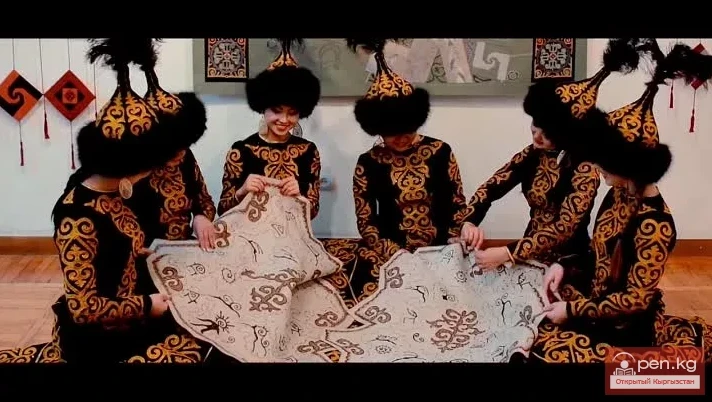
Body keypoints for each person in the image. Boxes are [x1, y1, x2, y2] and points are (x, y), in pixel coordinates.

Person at [0, 39, 216, 364]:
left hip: (135, 304)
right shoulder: (77, 218)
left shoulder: (112, 193)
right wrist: (147, 305)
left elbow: (115, 248)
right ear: (130, 166)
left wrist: (139, 252)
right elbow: (83, 308)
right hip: (103, 338)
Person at [531, 41, 712, 363]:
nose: (596, 166)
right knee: (534, 318)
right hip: (597, 303)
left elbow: (635, 300)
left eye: (602, 161)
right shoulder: (618, 195)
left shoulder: (655, 226)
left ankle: (654, 369)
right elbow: (598, 254)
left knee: (546, 353)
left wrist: (572, 310)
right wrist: (564, 265)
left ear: (626, 167)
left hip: (625, 327)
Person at [460, 39, 652, 270]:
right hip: (526, 254)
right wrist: (469, 221)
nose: (537, 137)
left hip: (567, 262)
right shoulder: (533, 154)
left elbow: (565, 227)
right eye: (535, 126)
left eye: (547, 134)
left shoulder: (585, 168)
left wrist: (509, 252)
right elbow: (492, 187)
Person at [320, 38, 471, 308]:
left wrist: (453, 241)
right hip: (389, 252)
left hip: (440, 248)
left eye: (407, 130)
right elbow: (367, 223)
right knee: (372, 297)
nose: (401, 139)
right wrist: (395, 254)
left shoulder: (440, 151)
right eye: (392, 133)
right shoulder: (368, 162)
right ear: (378, 129)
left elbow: (458, 204)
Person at [127, 39, 217, 252]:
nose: (180, 153)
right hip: (140, 254)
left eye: (185, 145)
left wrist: (201, 217)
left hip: (182, 249)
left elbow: (203, 199)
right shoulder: (129, 164)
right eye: (173, 149)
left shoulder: (185, 155)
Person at [217, 38, 322, 220]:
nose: (284, 120)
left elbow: (312, 212)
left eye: (292, 113)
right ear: (263, 108)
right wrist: (242, 191)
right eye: (276, 111)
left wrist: (300, 196)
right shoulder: (241, 151)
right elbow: (222, 210)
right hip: (248, 233)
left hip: (292, 233)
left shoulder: (308, 151)